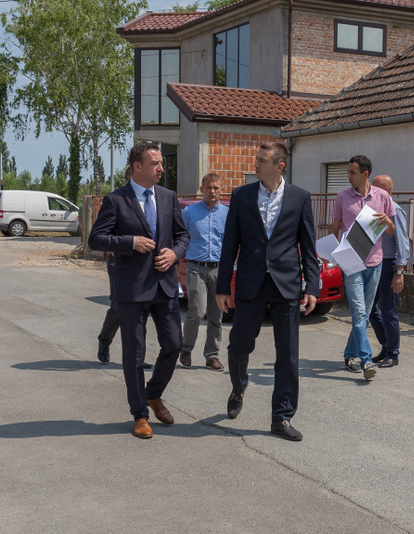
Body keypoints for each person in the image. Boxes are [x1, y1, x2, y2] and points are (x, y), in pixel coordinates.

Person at [216, 142, 319, 441]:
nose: (256, 165)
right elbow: (230, 243)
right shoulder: (242, 195)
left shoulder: (300, 197)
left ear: (279, 166)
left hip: (286, 284)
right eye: (257, 159)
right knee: (239, 345)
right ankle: (238, 387)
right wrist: (222, 287)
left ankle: (282, 417)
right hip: (250, 282)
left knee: (288, 354)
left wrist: (312, 286)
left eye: (262, 160)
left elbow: (308, 247)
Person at [88, 142, 189, 439]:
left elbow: (183, 235)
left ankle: (153, 394)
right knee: (134, 354)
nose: (161, 168)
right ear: (137, 166)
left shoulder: (168, 197)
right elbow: (96, 239)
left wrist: (175, 254)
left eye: (161, 163)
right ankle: (140, 414)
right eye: (155, 163)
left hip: (164, 286)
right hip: (132, 289)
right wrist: (130, 242)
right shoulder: (116, 200)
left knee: (174, 344)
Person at [330, 155, 395, 381]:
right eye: (348, 172)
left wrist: (388, 222)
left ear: (365, 174)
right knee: (359, 313)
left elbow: (391, 231)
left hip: (375, 262)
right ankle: (366, 360)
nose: (348, 176)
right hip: (351, 262)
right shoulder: (342, 197)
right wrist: (333, 253)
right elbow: (335, 228)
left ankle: (350, 355)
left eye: (352, 172)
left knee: (364, 315)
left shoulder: (382, 196)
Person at [95, 165, 153, 371]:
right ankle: (105, 339)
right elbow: (101, 236)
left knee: (141, 309)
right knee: (119, 307)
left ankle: (138, 355)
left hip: (144, 264)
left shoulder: (150, 201)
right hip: (119, 262)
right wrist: (123, 243)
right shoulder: (117, 201)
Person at [179, 173, 229, 371]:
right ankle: (186, 349)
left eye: (216, 188)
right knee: (197, 310)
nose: (212, 191)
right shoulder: (189, 212)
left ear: (221, 190)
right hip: (195, 267)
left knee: (216, 315)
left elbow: (233, 241)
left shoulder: (227, 214)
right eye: (208, 188)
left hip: (219, 269)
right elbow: (181, 237)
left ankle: (212, 355)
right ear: (202, 190)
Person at [369, 174, 410, 368]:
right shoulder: (373, 210)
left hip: (389, 264)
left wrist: (399, 271)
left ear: (387, 191)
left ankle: (393, 353)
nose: (372, 191)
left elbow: (402, 242)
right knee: (370, 308)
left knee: (388, 310)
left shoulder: (395, 210)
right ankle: (386, 346)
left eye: (376, 188)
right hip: (374, 263)